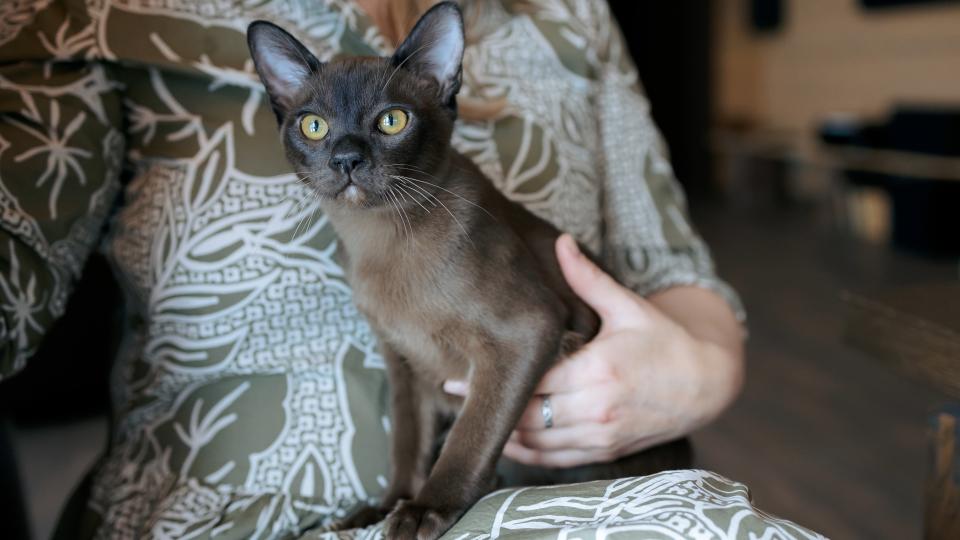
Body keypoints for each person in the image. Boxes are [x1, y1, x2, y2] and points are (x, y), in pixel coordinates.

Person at [0, 1, 820, 538]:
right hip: (214, 514)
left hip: (558, 498)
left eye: (390, 121)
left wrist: (701, 369)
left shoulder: (570, 17)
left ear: (438, 90)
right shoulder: (102, 16)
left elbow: (674, 265)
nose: (351, 154)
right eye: (318, 129)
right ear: (286, 106)